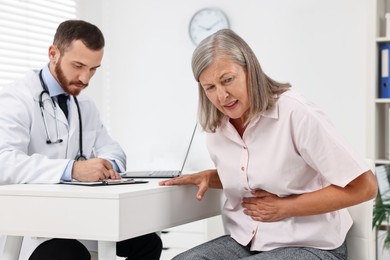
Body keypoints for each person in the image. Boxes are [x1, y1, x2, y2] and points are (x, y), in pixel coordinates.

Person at [159, 28, 378, 260]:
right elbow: (255, 171)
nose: (222, 96)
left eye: (228, 80)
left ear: (249, 70)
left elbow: (365, 186)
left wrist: (285, 208)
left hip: (311, 245)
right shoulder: (217, 128)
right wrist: (212, 176)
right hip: (246, 243)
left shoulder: (296, 113)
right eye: (210, 88)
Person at [0, 20, 162, 260]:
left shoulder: (84, 103)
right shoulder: (17, 98)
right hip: (31, 227)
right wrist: (72, 169)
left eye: (94, 69)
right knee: (69, 253)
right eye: (78, 66)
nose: (85, 78)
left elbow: (114, 151)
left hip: (78, 218)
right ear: (53, 53)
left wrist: (106, 166)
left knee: (147, 242)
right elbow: (4, 163)